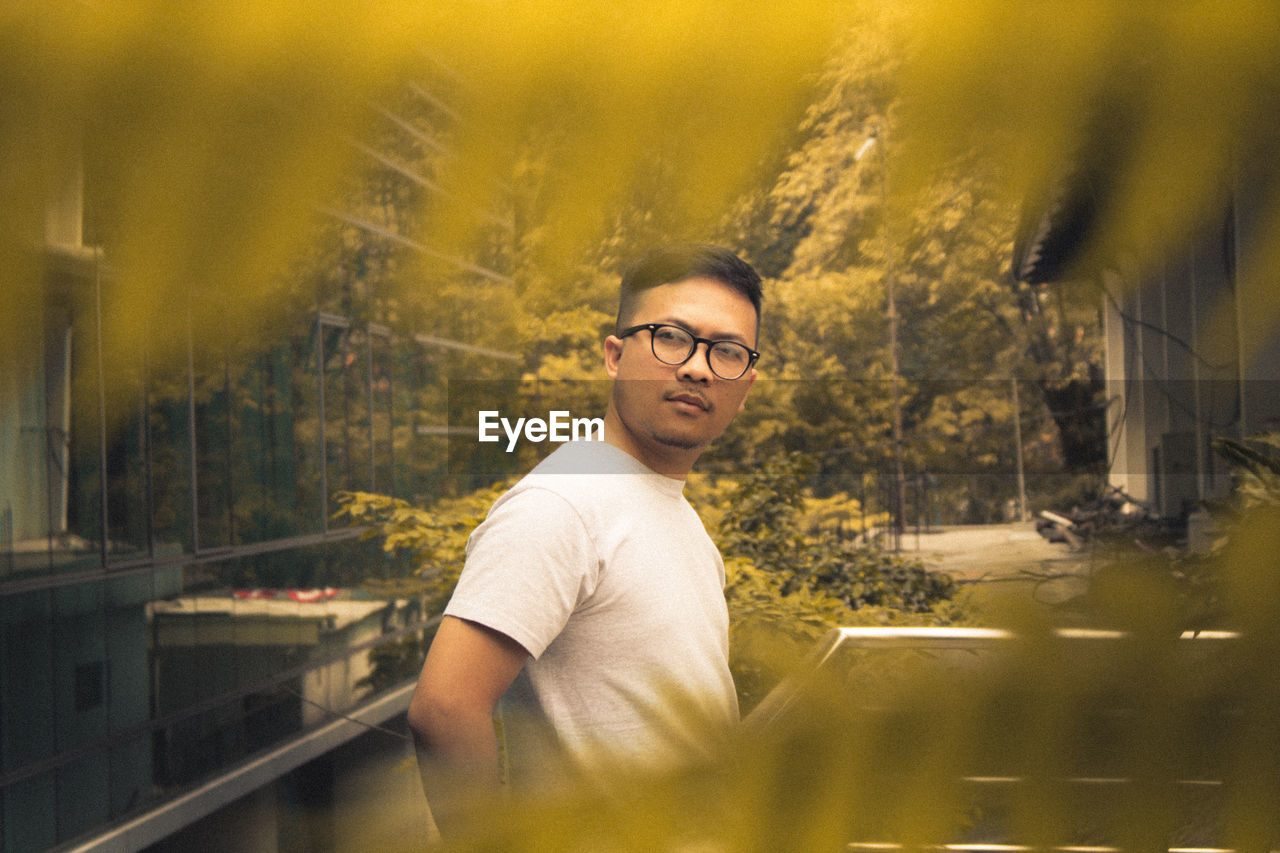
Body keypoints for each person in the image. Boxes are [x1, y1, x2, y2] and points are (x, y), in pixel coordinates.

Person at [407, 244, 762, 836]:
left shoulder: (681, 523)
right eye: (672, 337)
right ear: (616, 356)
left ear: (744, 386)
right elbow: (445, 708)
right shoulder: (562, 504)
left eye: (726, 352)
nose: (698, 367)